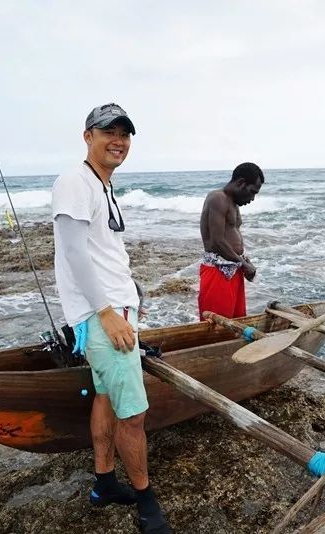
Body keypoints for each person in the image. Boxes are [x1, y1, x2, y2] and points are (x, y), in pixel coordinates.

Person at [51, 103, 171, 534]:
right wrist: (107, 313)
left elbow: (100, 252)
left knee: (104, 397)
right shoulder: (75, 181)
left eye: (125, 133)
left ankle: (104, 485)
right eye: (108, 131)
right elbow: (73, 252)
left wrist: (130, 295)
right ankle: (146, 501)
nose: (118, 140)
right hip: (105, 318)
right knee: (133, 415)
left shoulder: (102, 186)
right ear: (88, 136)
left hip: (114, 311)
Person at [198, 162, 264, 320]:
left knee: (235, 322)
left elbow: (232, 235)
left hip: (233, 269)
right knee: (216, 325)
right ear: (241, 183)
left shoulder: (233, 202)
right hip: (218, 272)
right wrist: (243, 263)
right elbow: (217, 241)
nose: (253, 198)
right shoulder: (218, 198)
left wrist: (245, 261)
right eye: (252, 192)